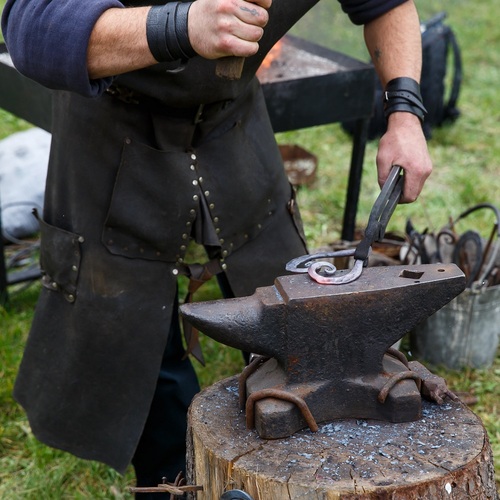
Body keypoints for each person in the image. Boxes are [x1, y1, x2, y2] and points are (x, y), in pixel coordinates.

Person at [1, 0, 432, 496]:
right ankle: (174, 480)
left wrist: (405, 113)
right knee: (138, 344)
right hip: (113, 128)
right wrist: (180, 26)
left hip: (234, 121)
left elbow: (384, 2)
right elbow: (29, 27)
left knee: (297, 320)